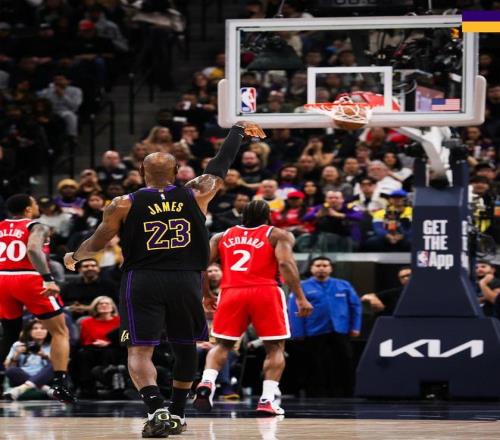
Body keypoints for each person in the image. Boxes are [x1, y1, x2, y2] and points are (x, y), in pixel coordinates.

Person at [64, 122, 266, 437]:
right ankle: (178, 412)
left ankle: (156, 408)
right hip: (185, 279)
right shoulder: (197, 192)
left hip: (142, 280)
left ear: (141, 172)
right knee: (185, 347)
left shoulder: (123, 203)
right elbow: (220, 165)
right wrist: (237, 132)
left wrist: (74, 257)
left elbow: (97, 244)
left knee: (139, 350)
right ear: (176, 173)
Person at [194, 200, 313, 416]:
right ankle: (267, 399)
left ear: (242, 214)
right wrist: (300, 297)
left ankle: (207, 382)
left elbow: (200, 266)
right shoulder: (278, 234)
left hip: (231, 292)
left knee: (222, 345)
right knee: (275, 347)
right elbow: (285, 264)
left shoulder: (221, 236)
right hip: (265, 291)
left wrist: (207, 294)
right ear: (268, 216)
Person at [0, 194, 74, 403]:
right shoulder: (36, 225)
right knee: (60, 331)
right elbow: (33, 249)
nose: (37, 207)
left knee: (9, 333)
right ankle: (60, 383)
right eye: (34, 203)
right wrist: (48, 279)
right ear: (28, 209)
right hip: (28, 277)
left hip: (2, 278)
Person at [288, 256, 361, 397]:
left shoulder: (344, 285)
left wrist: (355, 327)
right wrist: (297, 332)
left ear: (331, 268)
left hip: (340, 329)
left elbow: (355, 306)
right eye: (318, 265)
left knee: (344, 360)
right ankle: (315, 392)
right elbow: (293, 310)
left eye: (325, 265)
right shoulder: (301, 287)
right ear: (311, 268)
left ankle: (346, 391)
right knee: (314, 363)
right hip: (314, 331)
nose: (321, 268)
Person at [3, 319, 53, 400]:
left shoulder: (53, 345)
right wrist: (16, 355)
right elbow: (7, 366)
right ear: (29, 331)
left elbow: (60, 366)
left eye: (43, 328)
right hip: (22, 376)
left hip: (45, 376)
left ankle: (21, 389)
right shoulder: (18, 344)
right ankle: (46, 389)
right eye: (35, 328)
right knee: (10, 370)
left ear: (48, 331)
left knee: (54, 366)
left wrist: (44, 356)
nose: (39, 331)